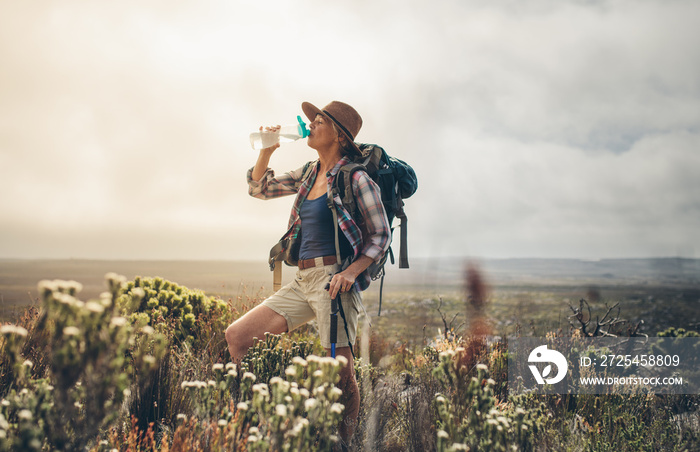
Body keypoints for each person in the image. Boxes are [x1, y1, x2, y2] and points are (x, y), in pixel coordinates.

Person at [225, 101, 391, 443]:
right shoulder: (309, 172)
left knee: (342, 370)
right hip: (302, 280)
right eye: (312, 120)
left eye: (319, 121)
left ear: (339, 137)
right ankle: (256, 424)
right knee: (238, 337)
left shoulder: (356, 179)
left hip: (334, 281)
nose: (310, 125)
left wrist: (351, 273)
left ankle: (344, 444)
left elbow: (380, 236)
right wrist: (266, 152)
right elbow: (260, 188)